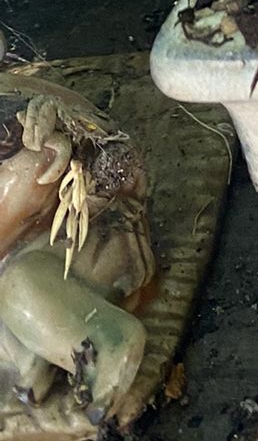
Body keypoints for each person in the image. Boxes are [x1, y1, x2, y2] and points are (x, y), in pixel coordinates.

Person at [0, 73, 154, 416]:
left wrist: (75, 134)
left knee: (21, 286)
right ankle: (36, 359)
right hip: (31, 242)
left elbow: (118, 158)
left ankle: (108, 340)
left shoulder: (26, 131)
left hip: (90, 241)